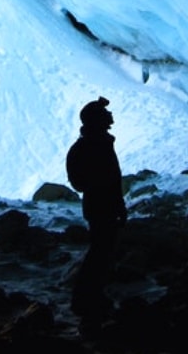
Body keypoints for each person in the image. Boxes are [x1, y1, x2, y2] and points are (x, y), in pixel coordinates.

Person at [65, 96, 127, 317]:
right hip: (101, 205)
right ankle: (86, 298)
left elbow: (82, 181)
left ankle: (90, 296)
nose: (110, 115)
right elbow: (100, 180)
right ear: (98, 120)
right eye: (104, 113)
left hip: (100, 204)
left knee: (101, 252)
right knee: (100, 252)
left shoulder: (91, 145)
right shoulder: (94, 146)